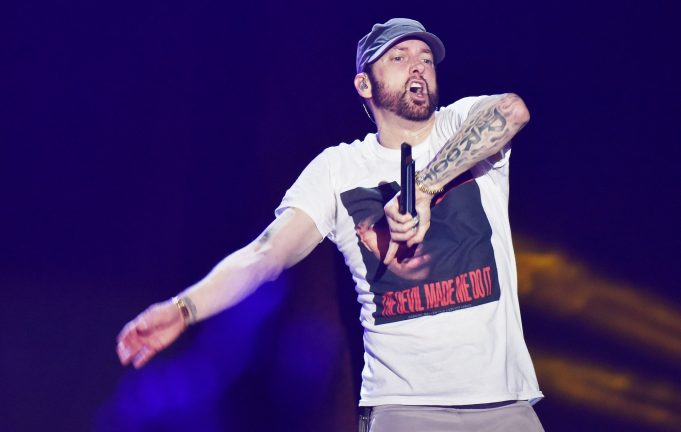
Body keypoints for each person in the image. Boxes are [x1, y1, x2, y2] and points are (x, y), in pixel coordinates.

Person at [117, 18, 544, 431]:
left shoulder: (459, 124)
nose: (418, 65)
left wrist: (424, 188)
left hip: (503, 403)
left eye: (425, 58)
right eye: (399, 58)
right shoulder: (339, 169)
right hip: (406, 408)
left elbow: (513, 110)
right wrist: (184, 308)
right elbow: (266, 254)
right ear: (364, 84)